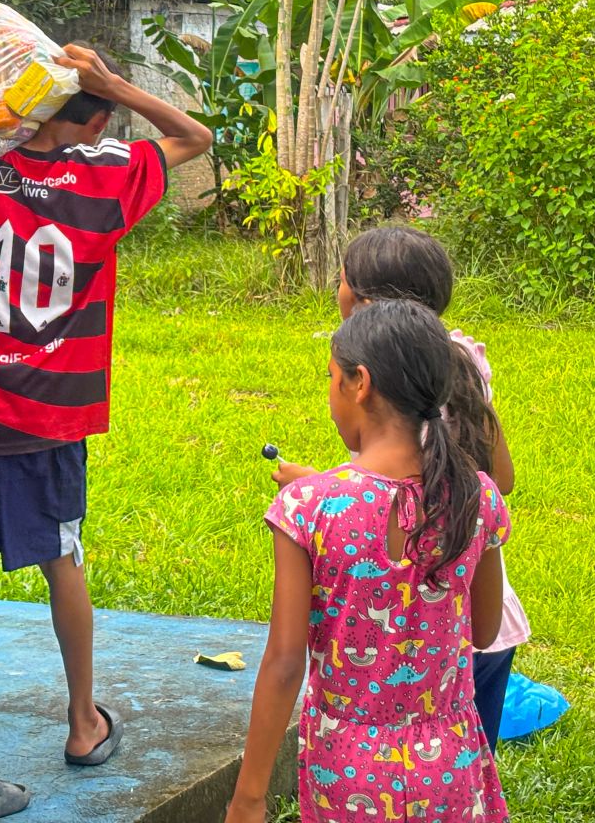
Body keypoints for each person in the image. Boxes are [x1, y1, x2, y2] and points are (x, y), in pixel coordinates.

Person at [0, 45, 213, 822]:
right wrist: (117, 84)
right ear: (97, 119)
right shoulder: (109, 178)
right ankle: (82, 721)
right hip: (49, 414)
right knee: (62, 556)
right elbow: (196, 137)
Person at [225, 299, 512, 823]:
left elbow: (285, 664)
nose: (330, 394)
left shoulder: (309, 506)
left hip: (347, 769)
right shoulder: (478, 497)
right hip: (450, 764)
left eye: (331, 379)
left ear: (360, 383)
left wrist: (249, 797)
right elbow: (487, 630)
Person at [272, 226, 528, 748]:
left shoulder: (388, 382)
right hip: (478, 614)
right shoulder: (456, 359)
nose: (337, 289)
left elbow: (402, 495)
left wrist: (319, 491)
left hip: (425, 632)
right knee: (461, 762)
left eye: (342, 279)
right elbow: (495, 479)